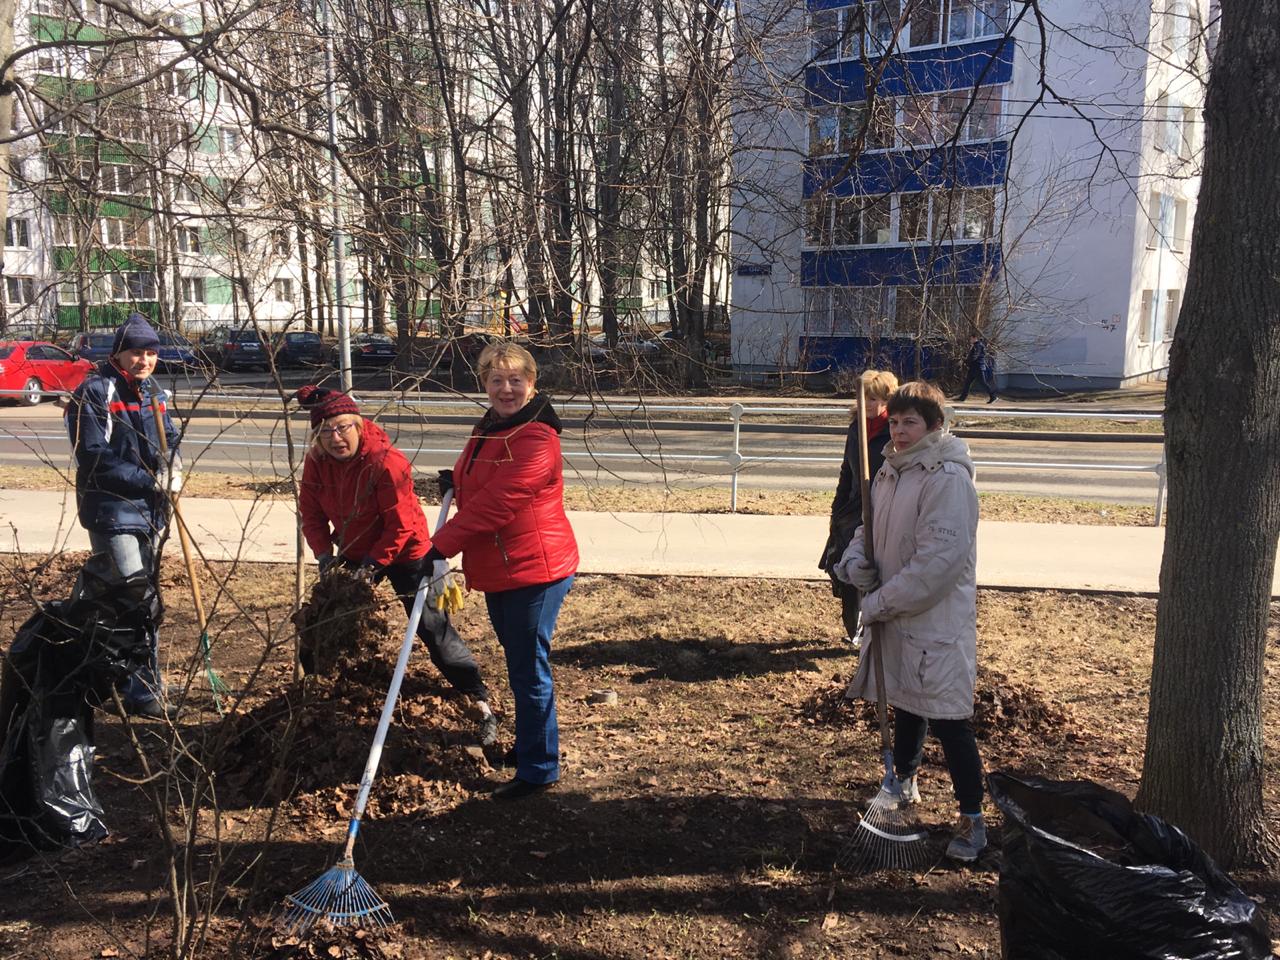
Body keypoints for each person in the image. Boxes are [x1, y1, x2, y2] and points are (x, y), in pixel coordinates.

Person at [834, 380, 987, 862]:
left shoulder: (947, 479)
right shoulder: (890, 471)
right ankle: (902, 782)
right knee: (906, 702)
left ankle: (972, 819)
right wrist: (856, 562)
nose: (898, 432)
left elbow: (936, 566)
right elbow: (869, 529)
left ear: (934, 426)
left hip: (935, 621)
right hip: (898, 614)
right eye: (895, 422)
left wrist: (876, 603)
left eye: (910, 423)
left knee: (948, 717)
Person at [295, 385, 498, 746]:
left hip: (408, 551)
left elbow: (401, 525)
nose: (335, 438)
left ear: (358, 425)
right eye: (326, 431)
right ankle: (317, 691)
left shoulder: (386, 461)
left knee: (432, 627)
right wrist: (325, 554)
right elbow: (310, 513)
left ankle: (477, 695)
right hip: (354, 548)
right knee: (326, 617)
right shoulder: (316, 462)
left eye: (342, 427)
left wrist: (372, 566)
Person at [425, 342, 578, 801]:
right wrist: (460, 481)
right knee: (519, 665)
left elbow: (500, 503)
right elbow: (482, 482)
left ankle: (539, 770)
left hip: (535, 568)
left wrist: (438, 547)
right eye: (496, 380)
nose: (506, 388)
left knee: (528, 670)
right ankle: (534, 747)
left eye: (515, 380)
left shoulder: (536, 437)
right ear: (484, 384)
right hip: (501, 567)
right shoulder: (492, 427)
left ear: (533, 383)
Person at [66, 312, 181, 719]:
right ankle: (141, 688)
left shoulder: (155, 393)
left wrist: (174, 468)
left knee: (133, 599)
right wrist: (150, 480)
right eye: (137, 352)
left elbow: (170, 440)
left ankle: (119, 676)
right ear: (119, 353)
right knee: (137, 599)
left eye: (151, 352)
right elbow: (92, 458)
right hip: (112, 512)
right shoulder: (94, 392)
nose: (144, 359)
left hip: (150, 513)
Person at [818, 369, 898, 649]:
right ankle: (854, 631)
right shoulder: (856, 429)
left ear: (887, 399)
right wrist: (836, 510)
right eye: (865, 398)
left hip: (883, 511)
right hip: (853, 512)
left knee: (878, 574)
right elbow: (846, 472)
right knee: (848, 572)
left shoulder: (895, 432)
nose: (870, 405)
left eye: (875, 399)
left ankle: (876, 635)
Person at [956, 334, 997, 404]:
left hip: (978, 368)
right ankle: (962, 398)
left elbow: (975, 356)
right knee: (967, 383)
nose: (970, 340)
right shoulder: (977, 345)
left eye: (971, 338)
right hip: (973, 368)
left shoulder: (978, 346)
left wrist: (966, 361)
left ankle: (993, 396)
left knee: (983, 383)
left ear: (975, 338)